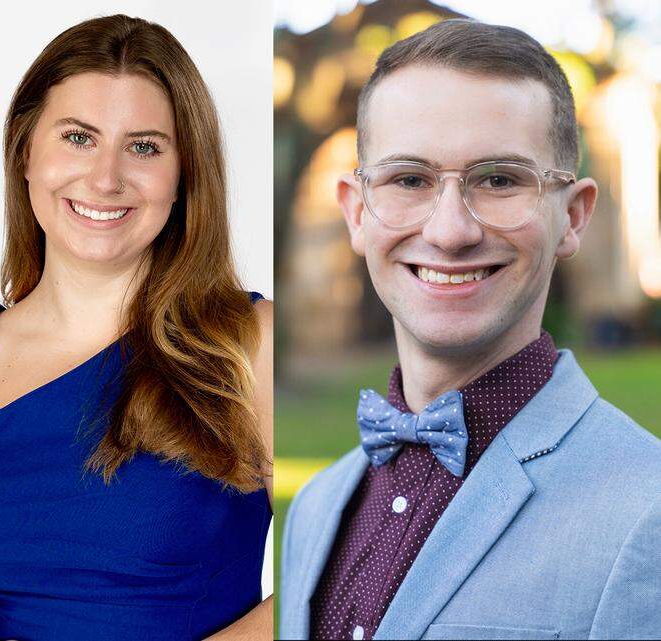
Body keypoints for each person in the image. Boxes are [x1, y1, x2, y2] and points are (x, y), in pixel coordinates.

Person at [279, 19, 661, 640]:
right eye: (409, 179)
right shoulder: (316, 506)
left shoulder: (649, 511)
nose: (450, 231)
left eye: (499, 180)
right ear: (356, 211)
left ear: (572, 217)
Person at [0, 15, 273, 641]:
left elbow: (326, 575)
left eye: (145, 146)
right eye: (78, 138)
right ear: (25, 152)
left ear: (183, 175)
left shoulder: (248, 344)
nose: (105, 178)